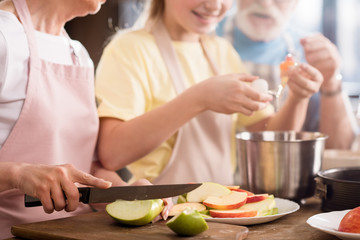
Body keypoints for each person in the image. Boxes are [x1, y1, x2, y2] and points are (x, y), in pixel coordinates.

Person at [95, 0, 322, 186]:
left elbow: (269, 139)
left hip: (222, 212)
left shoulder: (221, 51)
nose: (215, 5)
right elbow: (113, 153)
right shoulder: (130, 49)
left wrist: (298, 97)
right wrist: (199, 98)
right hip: (162, 215)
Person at [0, 0, 169, 238]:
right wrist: (17, 174)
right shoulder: (4, 37)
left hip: (77, 232)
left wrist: (124, 193)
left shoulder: (78, 55)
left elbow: (85, 166)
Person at [217, 0, 358, 149]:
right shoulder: (204, 36)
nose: (265, 3)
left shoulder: (311, 53)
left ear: (295, 3)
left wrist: (331, 82)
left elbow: (340, 148)